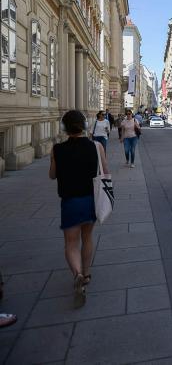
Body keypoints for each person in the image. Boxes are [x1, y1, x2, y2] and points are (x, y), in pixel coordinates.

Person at [49, 110, 108, 307]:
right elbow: (105, 172)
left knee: (71, 243)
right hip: (90, 200)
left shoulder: (57, 149)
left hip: (69, 201)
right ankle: (87, 273)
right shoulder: (96, 146)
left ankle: (77, 274)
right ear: (84, 126)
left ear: (64, 128)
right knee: (87, 238)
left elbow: (52, 175)